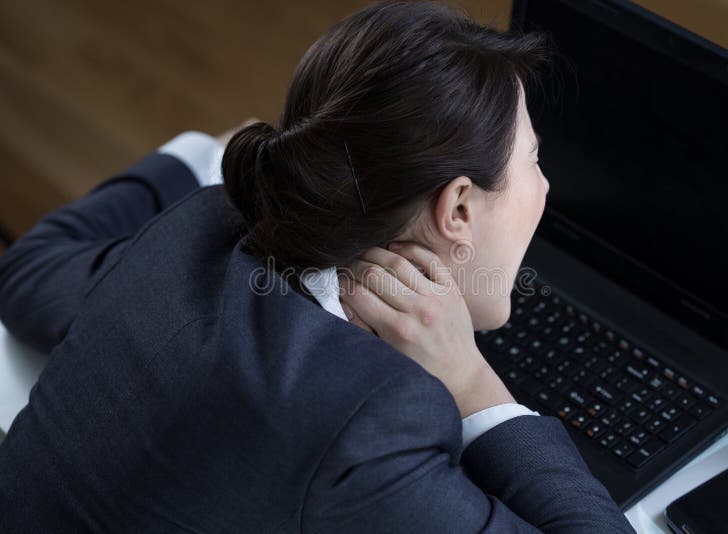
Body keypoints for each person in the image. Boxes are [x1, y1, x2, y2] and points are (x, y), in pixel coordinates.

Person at [0, 0, 636, 531]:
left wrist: (201, 154)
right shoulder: (372, 425)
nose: (544, 185)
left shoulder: (197, 229)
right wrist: (471, 382)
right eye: (532, 159)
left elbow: (30, 273)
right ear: (459, 208)